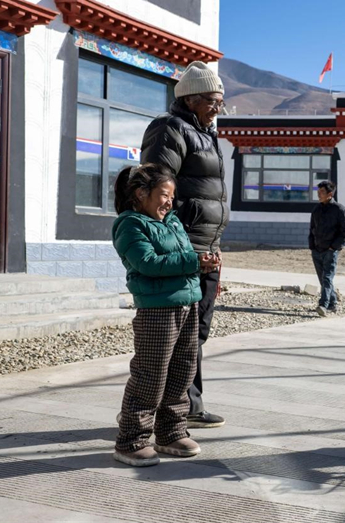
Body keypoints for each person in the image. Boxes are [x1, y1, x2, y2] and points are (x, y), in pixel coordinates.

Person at [112, 164, 218, 467]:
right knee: (151, 376)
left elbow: (182, 258)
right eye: (164, 195)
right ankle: (131, 440)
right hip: (157, 310)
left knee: (182, 373)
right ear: (140, 193)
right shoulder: (130, 225)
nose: (169, 202)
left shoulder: (172, 222)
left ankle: (171, 432)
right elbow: (147, 262)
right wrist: (192, 261)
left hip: (188, 304)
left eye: (172, 196)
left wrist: (203, 263)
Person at [140, 61, 227, 429]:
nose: (218, 107)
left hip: (206, 247)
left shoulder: (206, 134)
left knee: (196, 331)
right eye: (212, 100)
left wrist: (215, 245)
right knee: (174, 334)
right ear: (190, 99)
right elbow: (156, 186)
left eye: (221, 101)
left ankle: (185, 404)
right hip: (184, 246)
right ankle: (162, 408)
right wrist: (179, 231)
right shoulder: (170, 130)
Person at [309, 181, 345, 317]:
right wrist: (312, 246)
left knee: (327, 277)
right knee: (323, 279)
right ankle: (332, 304)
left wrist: (334, 247)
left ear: (330, 194)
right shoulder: (316, 210)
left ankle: (323, 305)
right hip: (317, 250)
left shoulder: (340, 210)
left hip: (330, 250)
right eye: (318, 192)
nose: (318, 195)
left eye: (321, 192)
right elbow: (312, 229)